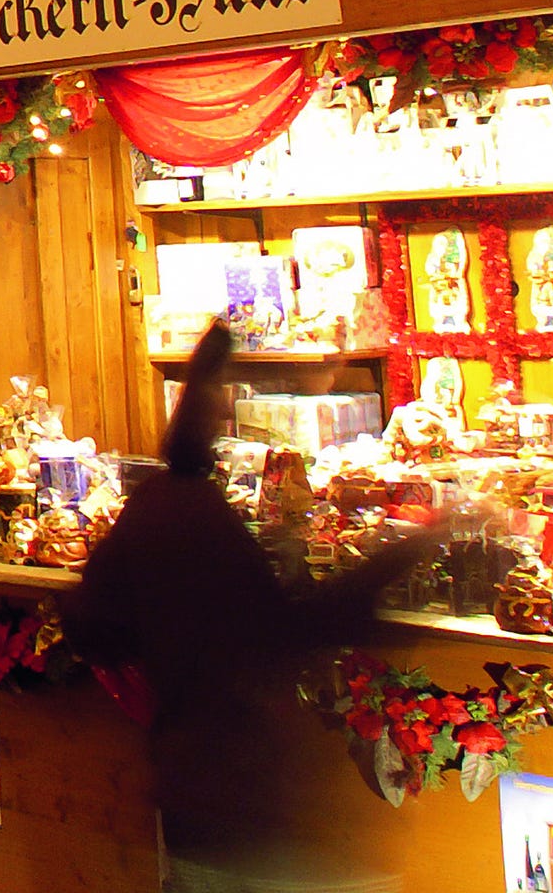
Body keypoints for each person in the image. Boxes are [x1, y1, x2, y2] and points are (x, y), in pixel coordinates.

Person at [68, 320, 444, 893]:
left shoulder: (155, 507)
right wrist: (406, 555)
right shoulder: (204, 519)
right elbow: (293, 629)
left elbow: (92, 621)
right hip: (257, 795)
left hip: (191, 788)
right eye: (221, 406)